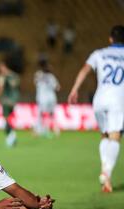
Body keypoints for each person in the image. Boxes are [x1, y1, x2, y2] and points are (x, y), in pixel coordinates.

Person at [68, 25, 124, 193]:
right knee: (115, 136)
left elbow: (85, 69)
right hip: (118, 100)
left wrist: (74, 89)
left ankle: (104, 168)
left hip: (99, 99)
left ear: (110, 39)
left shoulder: (99, 53)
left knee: (104, 135)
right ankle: (106, 173)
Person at [0, 58, 20, 147]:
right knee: (9, 118)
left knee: (6, 118)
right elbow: (17, 87)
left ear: (4, 66)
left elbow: (0, 88)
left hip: (6, 100)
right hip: (14, 100)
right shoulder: (15, 76)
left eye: (1, 66)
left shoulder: (2, 76)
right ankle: (11, 135)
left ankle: (11, 136)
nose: (0, 68)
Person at [33, 60, 60, 137]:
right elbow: (57, 87)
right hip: (51, 98)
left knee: (40, 114)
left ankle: (38, 130)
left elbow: (35, 82)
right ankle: (56, 129)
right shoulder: (51, 77)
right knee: (51, 114)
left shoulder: (38, 74)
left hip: (42, 98)